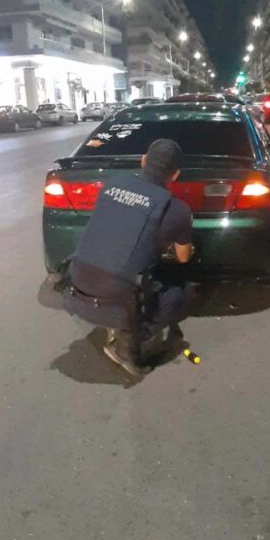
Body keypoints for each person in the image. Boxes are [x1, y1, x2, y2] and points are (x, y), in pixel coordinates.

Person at [63, 138, 194, 376]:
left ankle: (116, 320)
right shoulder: (177, 210)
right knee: (180, 292)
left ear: (143, 161)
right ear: (175, 175)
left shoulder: (112, 186)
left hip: (76, 282)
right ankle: (127, 342)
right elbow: (183, 258)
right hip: (114, 296)